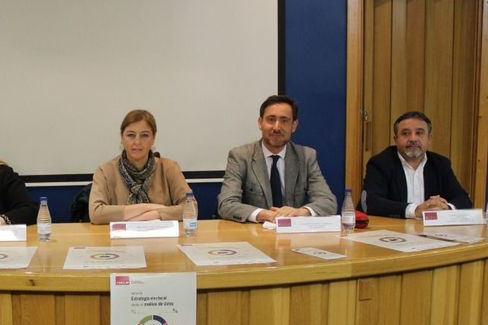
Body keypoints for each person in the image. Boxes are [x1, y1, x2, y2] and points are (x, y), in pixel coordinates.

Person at [217, 95, 336, 223]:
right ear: (260, 122)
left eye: (284, 120)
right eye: (271, 119)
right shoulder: (240, 156)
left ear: (294, 125)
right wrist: (264, 214)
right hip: (255, 235)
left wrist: (301, 212)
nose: (277, 127)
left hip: (293, 238)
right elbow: (226, 204)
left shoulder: (306, 156)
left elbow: (328, 202)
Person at [88, 109, 191, 224]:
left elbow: (191, 207)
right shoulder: (105, 171)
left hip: (161, 239)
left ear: (153, 138)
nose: (137, 142)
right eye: (131, 135)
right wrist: (146, 208)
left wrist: (155, 214)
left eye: (144, 135)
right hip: (118, 240)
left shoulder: (169, 168)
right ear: (122, 138)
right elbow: (95, 214)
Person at [362, 111, 472, 218]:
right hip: (392, 231)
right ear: (396, 140)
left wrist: (445, 208)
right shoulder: (380, 163)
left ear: (429, 139)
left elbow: (463, 199)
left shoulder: (440, 164)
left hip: (429, 232)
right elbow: (371, 202)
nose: (413, 139)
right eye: (405, 133)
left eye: (419, 133)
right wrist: (415, 210)